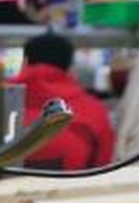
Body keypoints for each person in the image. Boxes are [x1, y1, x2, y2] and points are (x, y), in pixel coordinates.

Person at [10, 30, 115, 170]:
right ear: (69, 66)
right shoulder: (94, 110)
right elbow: (103, 167)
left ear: (25, 61)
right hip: (74, 183)